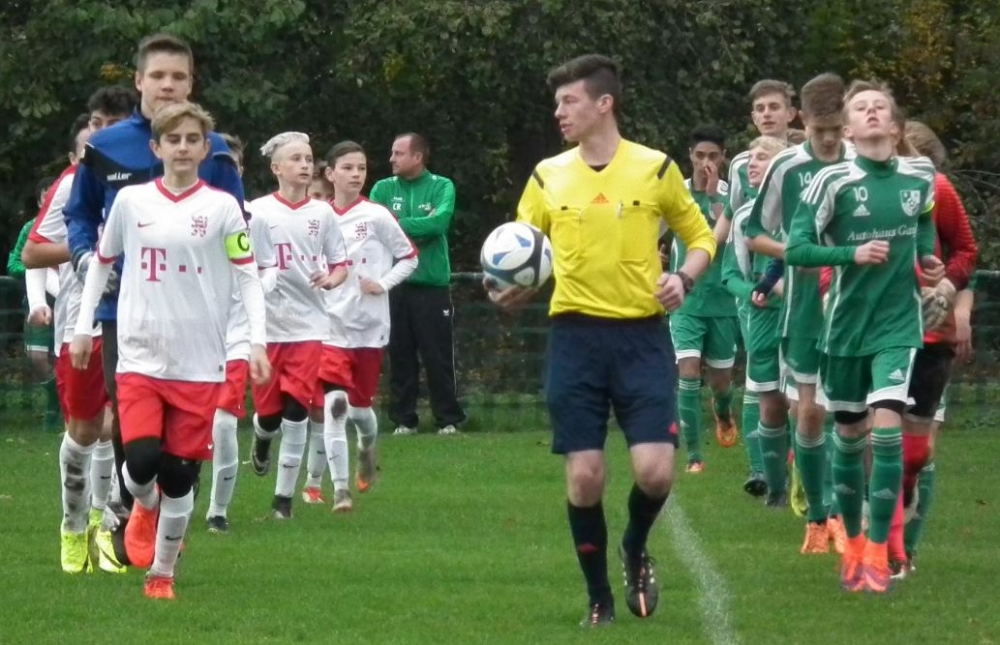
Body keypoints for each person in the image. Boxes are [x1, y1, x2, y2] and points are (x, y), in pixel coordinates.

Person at [488, 54, 715, 626]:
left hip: (642, 338)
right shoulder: (547, 176)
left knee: (655, 471)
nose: (559, 112)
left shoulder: (655, 168)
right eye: (558, 102)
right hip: (575, 339)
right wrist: (511, 291)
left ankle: (634, 546)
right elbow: (523, 253)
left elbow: (701, 237)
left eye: (570, 101)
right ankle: (599, 599)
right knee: (585, 475)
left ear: (603, 104)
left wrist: (683, 278)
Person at [68, 101, 270, 599]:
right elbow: (102, 262)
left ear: (205, 150)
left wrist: (258, 342)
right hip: (140, 354)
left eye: (192, 140)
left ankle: (161, 574)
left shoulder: (223, 208)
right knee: (140, 463)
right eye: (173, 140)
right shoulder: (131, 202)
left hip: (199, 361)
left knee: (179, 476)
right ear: (156, 148)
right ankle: (143, 504)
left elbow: (248, 276)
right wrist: (82, 325)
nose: (183, 148)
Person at [64, 33, 244, 545]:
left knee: (187, 432)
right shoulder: (105, 146)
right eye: (159, 76)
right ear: (139, 80)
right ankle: (136, 514)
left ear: (191, 83)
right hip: (124, 310)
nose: (169, 85)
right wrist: (84, 258)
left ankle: (171, 533)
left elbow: (237, 230)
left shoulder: (214, 150)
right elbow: (79, 215)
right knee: (132, 424)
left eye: (179, 76)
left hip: (196, 317)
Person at [785, 80, 943, 593]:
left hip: (898, 324)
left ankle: (879, 549)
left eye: (880, 107)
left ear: (895, 127)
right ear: (849, 130)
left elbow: (924, 222)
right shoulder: (831, 182)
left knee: (888, 428)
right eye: (861, 108)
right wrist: (849, 254)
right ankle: (852, 541)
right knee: (850, 437)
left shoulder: (920, 175)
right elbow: (797, 249)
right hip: (844, 328)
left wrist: (926, 257)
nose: (872, 112)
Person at [746, 73, 855, 551]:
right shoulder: (787, 167)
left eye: (836, 129)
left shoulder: (863, 163)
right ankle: (817, 515)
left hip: (856, 307)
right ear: (803, 121)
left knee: (855, 417)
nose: (829, 139)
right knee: (809, 415)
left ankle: (847, 513)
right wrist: (796, 253)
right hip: (805, 308)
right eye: (819, 130)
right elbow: (754, 233)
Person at [22, 116, 120, 573]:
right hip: (81, 324)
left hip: (136, 319)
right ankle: (72, 526)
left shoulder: (148, 180)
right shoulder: (70, 185)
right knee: (85, 430)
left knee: (115, 427)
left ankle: (104, 525)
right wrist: (94, 246)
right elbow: (33, 253)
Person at [885, 120, 978, 577]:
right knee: (876, 437)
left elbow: (966, 253)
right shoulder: (851, 185)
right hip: (875, 332)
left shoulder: (936, 189)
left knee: (916, 451)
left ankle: (903, 539)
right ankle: (884, 546)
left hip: (929, 334)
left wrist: (949, 293)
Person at [304, 140, 418, 512]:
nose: (356, 174)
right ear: (330, 173)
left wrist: (382, 284)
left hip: (368, 326)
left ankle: (368, 446)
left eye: (362, 168)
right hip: (329, 326)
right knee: (335, 406)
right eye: (348, 168)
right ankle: (340, 491)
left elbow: (409, 257)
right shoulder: (317, 216)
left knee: (359, 410)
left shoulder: (377, 216)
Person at [247, 132, 348, 520]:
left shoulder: (322, 213)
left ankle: (282, 501)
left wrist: (332, 279)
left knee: (296, 412)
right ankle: (261, 438)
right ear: (276, 168)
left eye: (308, 159)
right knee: (269, 415)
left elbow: (340, 264)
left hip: (309, 326)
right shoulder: (256, 211)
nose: (305, 165)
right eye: (296, 159)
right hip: (267, 328)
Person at [204, 134, 279, 534]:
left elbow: (268, 266)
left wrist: (255, 290)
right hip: (189, 337)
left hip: (234, 335)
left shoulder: (254, 218)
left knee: (223, 423)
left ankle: (218, 511)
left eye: (229, 165)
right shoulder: (181, 216)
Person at [369, 132, 465, 435]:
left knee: (437, 354)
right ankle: (403, 420)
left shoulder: (442, 186)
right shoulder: (383, 188)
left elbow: (439, 224)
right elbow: (374, 228)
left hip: (432, 284)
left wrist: (396, 226)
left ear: (417, 157)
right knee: (400, 353)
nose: (391, 159)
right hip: (394, 284)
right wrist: (414, 227)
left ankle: (448, 419)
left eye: (398, 153)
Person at [721, 135, 788, 497]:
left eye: (762, 157)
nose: (752, 163)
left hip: (804, 317)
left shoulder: (803, 208)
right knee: (770, 402)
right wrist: (754, 292)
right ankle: (773, 486)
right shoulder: (744, 217)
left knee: (807, 405)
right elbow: (730, 275)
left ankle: (811, 487)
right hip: (761, 321)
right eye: (751, 158)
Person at [670, 125, 739, 473]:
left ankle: (723, 410)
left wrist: (713, 197)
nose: (705, 162)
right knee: (688, 370)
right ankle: (694, 456)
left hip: (723, 300)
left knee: (721, 381)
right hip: (686, 300)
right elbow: (652, 233)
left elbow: (722, 239)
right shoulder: (676, 193)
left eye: (713, 155)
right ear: (690, 156)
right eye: (700, 156)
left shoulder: (732, 194)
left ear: (723, 157)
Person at [9, 178, 61, 428]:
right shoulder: (31, 228)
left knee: (67, 356)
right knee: (38, 357)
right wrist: (40, 272)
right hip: (38, 301)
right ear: (40, 202)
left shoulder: (73, 225)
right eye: (45, 197)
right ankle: (54, 398)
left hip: (68, 301)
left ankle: (67, 411)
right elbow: (14, 263)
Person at [728, 80, 798, 216]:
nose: (766, 114)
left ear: (790, 114)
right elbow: (732, 213)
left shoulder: (803, 159)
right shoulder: (740, 164)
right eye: (760, 109)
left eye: (774, 107)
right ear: (754, 118)